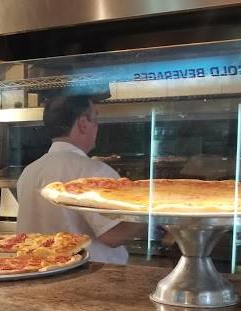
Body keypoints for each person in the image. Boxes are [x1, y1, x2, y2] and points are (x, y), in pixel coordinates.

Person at [15, 95, 145, 264]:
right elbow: (112, 235)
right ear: (83, 124)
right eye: (95, 119)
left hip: (38, 270)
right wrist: (154, 218)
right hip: (91, 273)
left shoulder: (29, 171)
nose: (97, 127)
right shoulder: (95, 173)